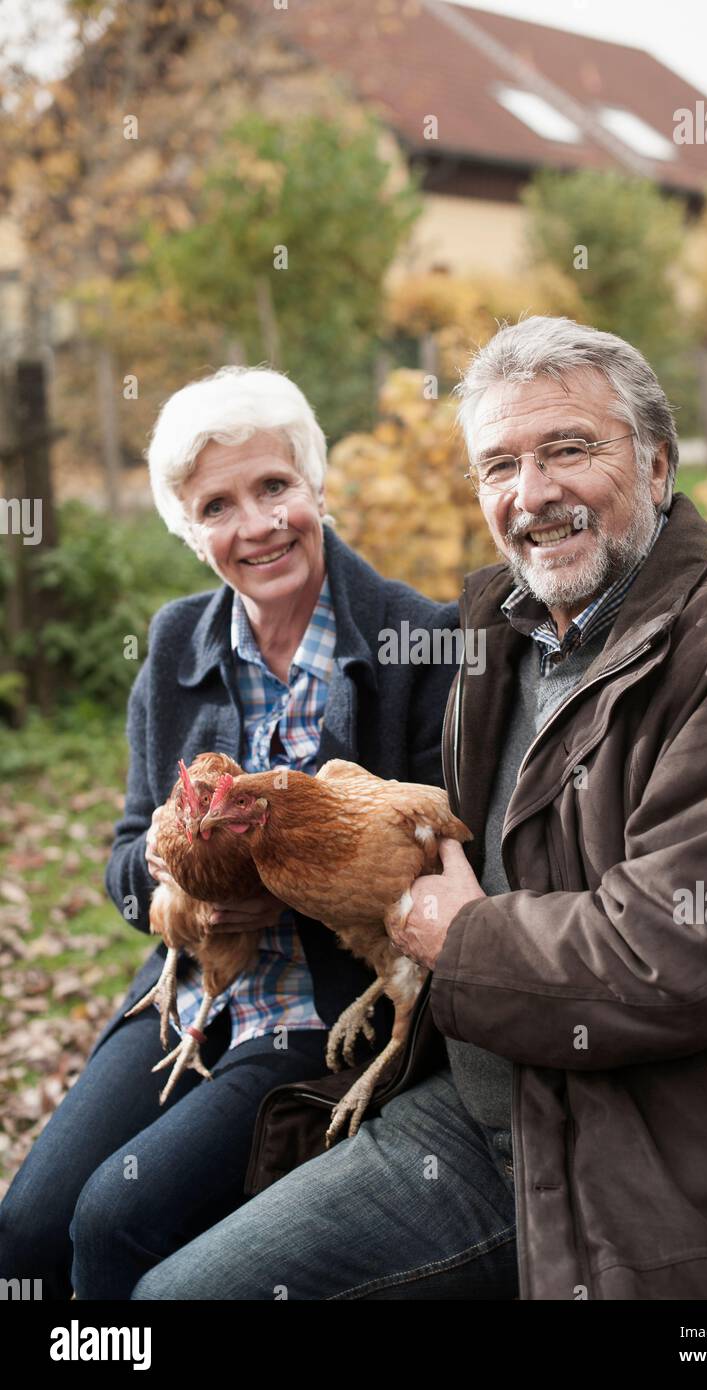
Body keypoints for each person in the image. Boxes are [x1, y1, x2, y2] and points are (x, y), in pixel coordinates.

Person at [129, 317, 707, 1303]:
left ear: (655, 462)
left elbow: (684, 956)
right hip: (476, 1101)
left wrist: (460, 937)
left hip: (663, 1150)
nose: (534, 492)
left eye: (569, 448)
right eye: (499, 465)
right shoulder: (498, 639)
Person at [0, 366, 458, 1300]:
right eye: (218, 504)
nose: (255, 525)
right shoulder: (176, 645)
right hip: (192, 995)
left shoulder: (420, 640)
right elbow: (126, 855)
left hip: (326, 1011)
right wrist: (176, 891)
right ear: (188, 528)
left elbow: (447, 856)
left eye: (274, 487)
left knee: (117, 1219)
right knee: (27, 1227)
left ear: (316, 485)